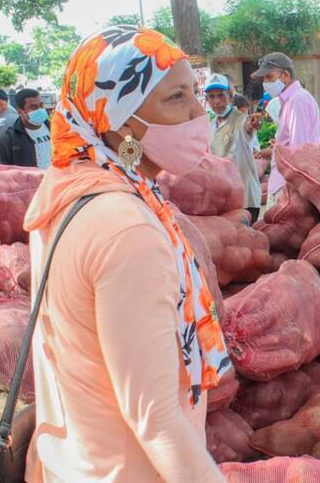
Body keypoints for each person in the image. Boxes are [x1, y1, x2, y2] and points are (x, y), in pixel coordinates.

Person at [23, 26, 230, 482]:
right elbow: (155, 420)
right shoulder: (128, 230)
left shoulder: (66, 190)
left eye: (194, 93)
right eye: (176, 98)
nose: (199, 113)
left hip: (77, 463)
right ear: (120, 122)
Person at [251, 52, 320, 209]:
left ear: (285, 76)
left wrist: (274, 153)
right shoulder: (290, 100)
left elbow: (298, 151)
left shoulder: (297, 100)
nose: (265, 83)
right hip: (283, 184)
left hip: (287, 187)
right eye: (264, 78)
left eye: (269, 77)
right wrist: (276, 148)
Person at [205, 74, 263, 223]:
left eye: (220, 95)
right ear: (206, 100)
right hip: (225, 199)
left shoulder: (241, 119)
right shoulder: (211, 126)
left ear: (230, 97)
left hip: (245, 200)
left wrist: (253, 124)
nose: (216, 101)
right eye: (211, 96)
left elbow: (248, 126)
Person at [0, 88, 53, 168]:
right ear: (20, 111)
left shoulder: (54, 129)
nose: (39, 110)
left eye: (41, 105)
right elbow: (1, 170)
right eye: (33, 107)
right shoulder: (7, 139)